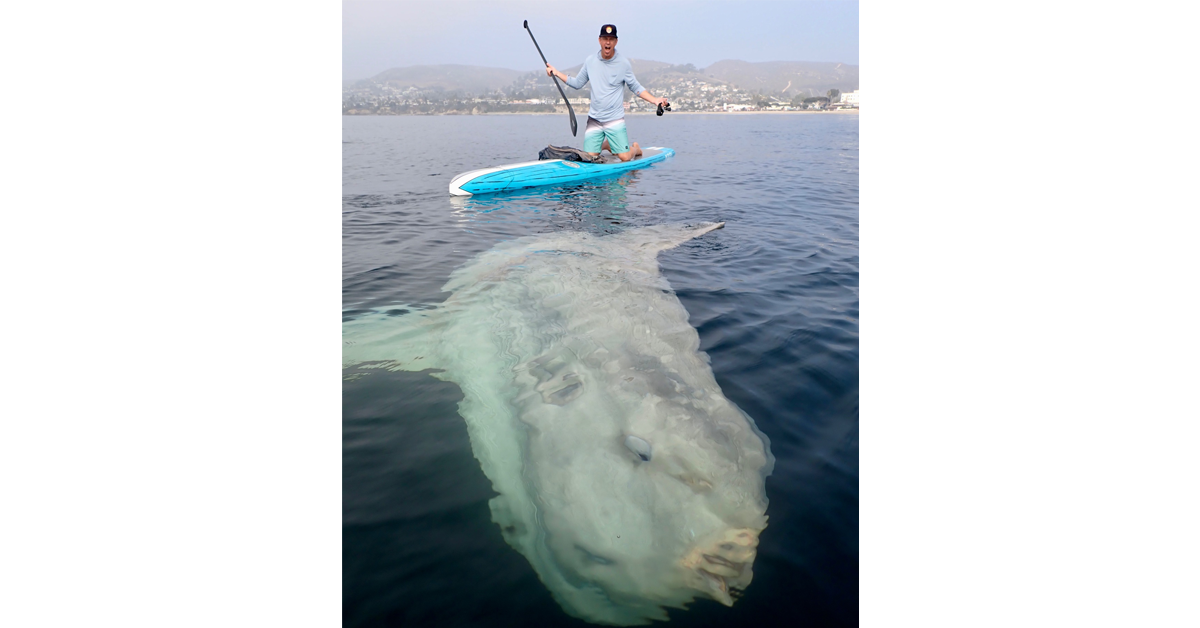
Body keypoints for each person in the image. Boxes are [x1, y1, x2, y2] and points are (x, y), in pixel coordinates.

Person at [545, 24, 669, 162]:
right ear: (599, 40)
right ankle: (608, 144)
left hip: (614, 120)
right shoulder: (590, 61)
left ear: (616, 41)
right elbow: (577, 83)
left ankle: (635, 148)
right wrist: (556, 73)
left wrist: (654, 100)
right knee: (589, 158)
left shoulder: (623, 64)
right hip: (595, 119)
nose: (608, 42)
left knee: (625, 157)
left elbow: (635, 87)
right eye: (605, 38)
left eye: (611, 39)